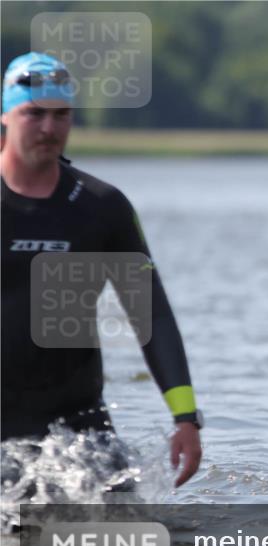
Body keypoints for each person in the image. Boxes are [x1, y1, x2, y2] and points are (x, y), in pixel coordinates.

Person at [1, 53, 202, 488]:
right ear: (6, 115)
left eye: (61, 115)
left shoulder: (100, 207)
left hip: (77, 429)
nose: (49, 128)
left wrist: (186, 417)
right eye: (33, 114)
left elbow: (152, 314)